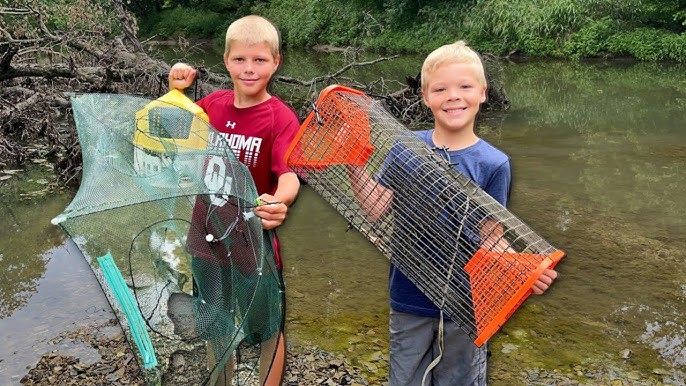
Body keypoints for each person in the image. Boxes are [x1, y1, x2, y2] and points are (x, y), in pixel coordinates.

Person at [349, 40, 558, 385]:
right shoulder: (405, 148)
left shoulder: (494, 164)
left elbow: (492, 238)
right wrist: (355, 161)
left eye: (464, 86)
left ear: (482, 94)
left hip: (469, 305)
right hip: (409, 297)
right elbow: (375, 210)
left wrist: (525, 272)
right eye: (440, 88)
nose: (453, 96)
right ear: (426, 97)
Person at [168, 15, 300, 386]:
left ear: (275, 62)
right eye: (240, 59)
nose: (249, 69)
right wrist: (176, 89)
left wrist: (279, 199)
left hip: (250, 242)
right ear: (225, 60)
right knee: (215, 323)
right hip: (205, 236)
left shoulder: (281, 119)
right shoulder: (211, 104)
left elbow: (289, 174)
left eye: (259, 60)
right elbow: (170, 129)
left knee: (268, 327)